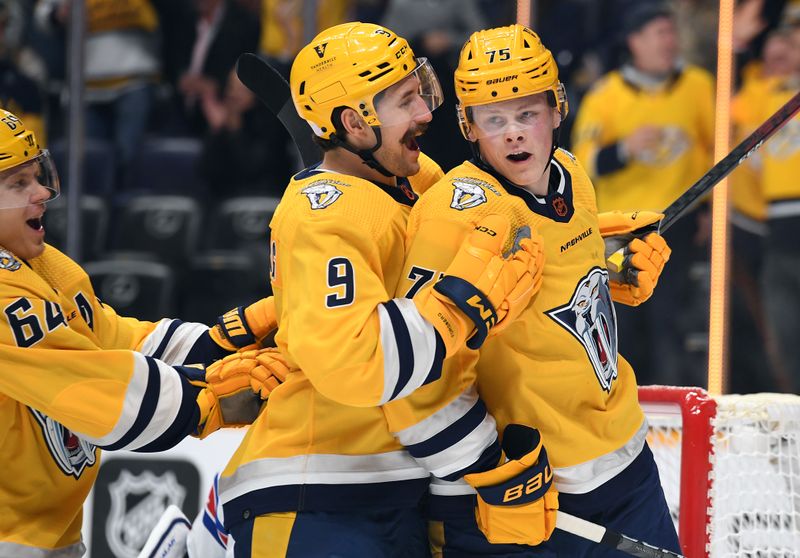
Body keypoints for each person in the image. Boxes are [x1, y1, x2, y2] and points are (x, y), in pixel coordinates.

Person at [216, 22, 542, 557]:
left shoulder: (413, 179)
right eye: (407, 101)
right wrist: (462, 304)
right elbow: (357, 362)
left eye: (422, 93)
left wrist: (583, 254)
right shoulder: (324, 217)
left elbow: (492, 224)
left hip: (396, 492)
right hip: (312, 495)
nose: (425, 114)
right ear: (352, 122)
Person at [385, 24, 680, 555]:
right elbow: (414, 368)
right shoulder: (455, 211)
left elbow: (557, 298)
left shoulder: (570, 173)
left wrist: (613, 280)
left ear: (557, 110)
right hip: (523, 494)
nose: (513, 133)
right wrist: (488, 471)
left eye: (527, 114)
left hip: (624, 463)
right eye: (494, 119)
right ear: (468, 126)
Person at [0, 108, 286, 558]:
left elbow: (118, 342)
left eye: (37, 176)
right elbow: (96, 385)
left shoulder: (44, 265)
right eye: (17, 184)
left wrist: (229, 335)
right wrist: (214, 399)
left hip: (44, 532)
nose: (41, 194)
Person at [572, 2, 715, 386]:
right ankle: (628, 407)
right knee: (626, 325)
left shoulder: (699, 86)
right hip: (621, 229)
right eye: (659, 33)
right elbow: (582, 165)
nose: (670, 41)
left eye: (672, 32)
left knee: (670, 324)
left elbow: (717, 151)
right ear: (634, 41)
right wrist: (624, 149)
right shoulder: (605, 95)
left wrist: (711, 211)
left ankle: (671, 416)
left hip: (678, 224)